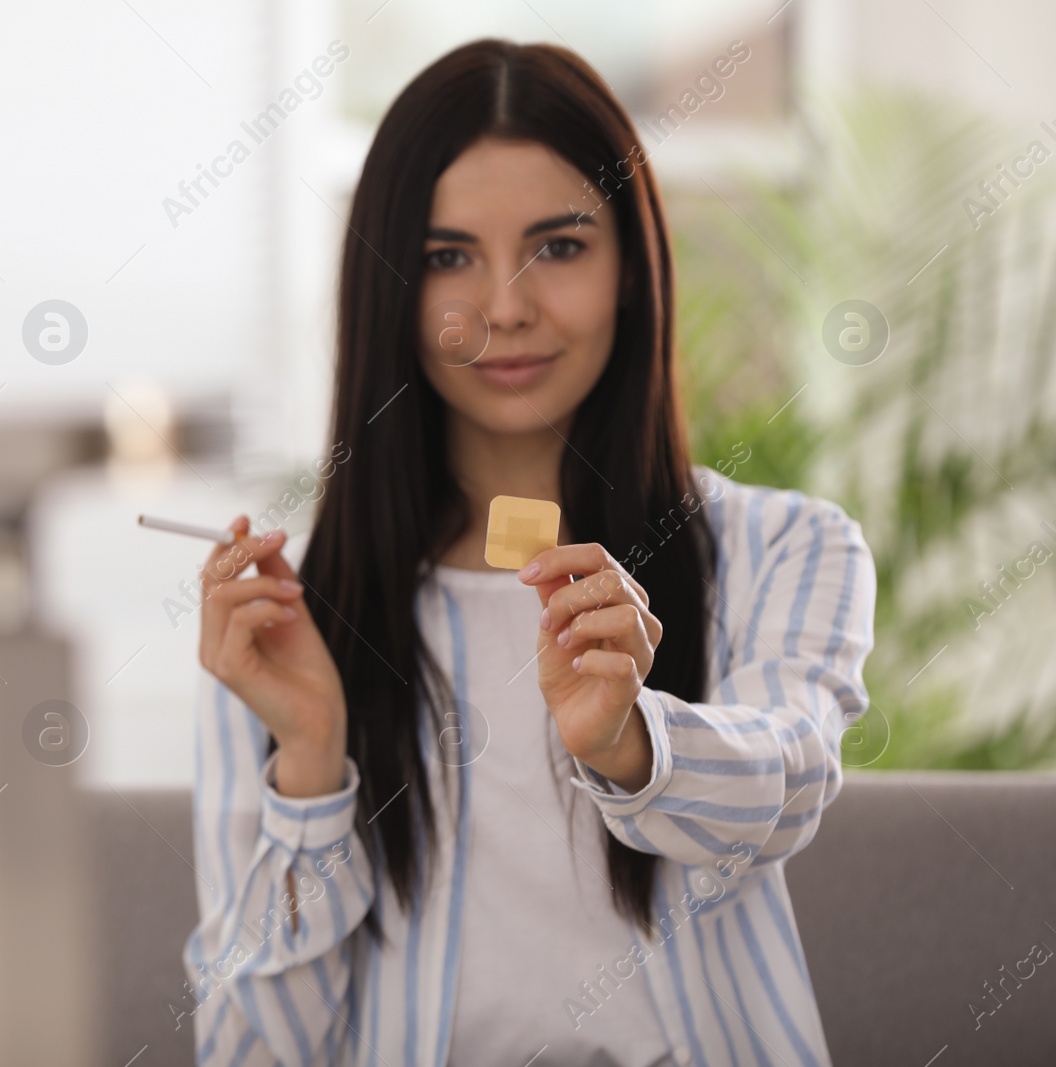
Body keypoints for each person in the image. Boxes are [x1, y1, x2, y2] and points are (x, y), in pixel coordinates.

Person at [182, 38, 875, 1067]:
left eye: (558, 246)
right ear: (391, 291)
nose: (504, 307)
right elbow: (248, 1052)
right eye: (446, 256)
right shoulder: (290, 617)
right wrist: (313, 760)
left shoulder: (787, 547)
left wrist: (627, 743)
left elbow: (787, 781)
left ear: (632, 269)